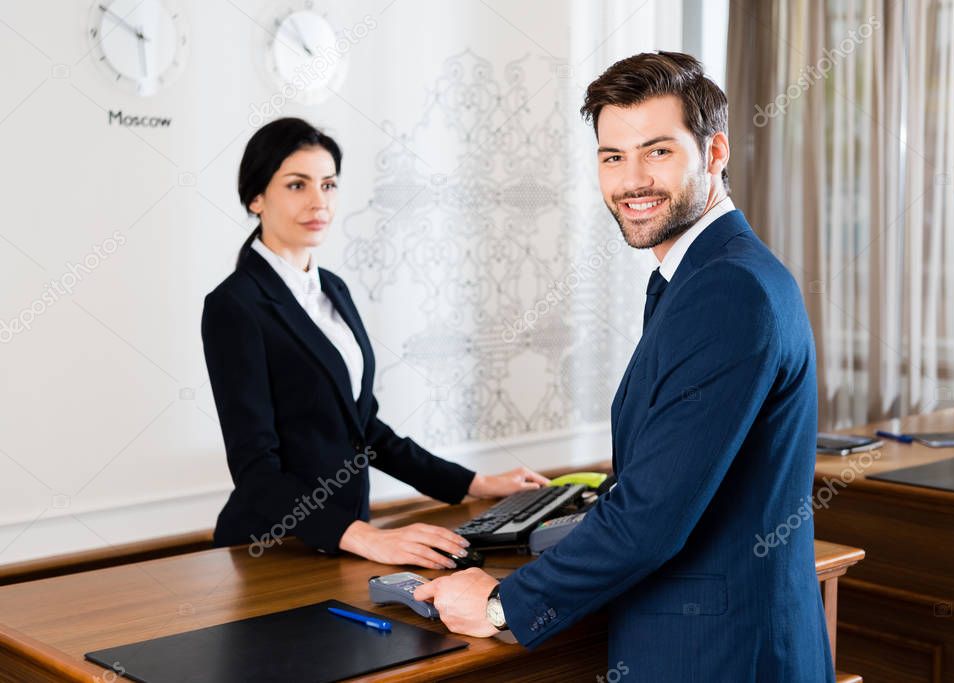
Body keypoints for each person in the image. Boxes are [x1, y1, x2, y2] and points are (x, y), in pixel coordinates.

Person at [414, 52, 834, 681]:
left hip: (717, 654)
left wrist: (503, 604)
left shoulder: (729, 291)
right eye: (613, 157)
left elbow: (651, 522)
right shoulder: (704, 274)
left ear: (715, 152)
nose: (632, 180)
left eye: (658, 151)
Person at [201, 117, 547, 568]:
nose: (318, 201)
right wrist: (366, 537)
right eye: (296, 185)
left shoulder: (334, 290)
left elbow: (365, 431)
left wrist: (477, 483)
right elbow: (256, 474)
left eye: (328, 185)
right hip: (274, 549)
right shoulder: (235, 306)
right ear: (256, 198)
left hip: (343, 542)